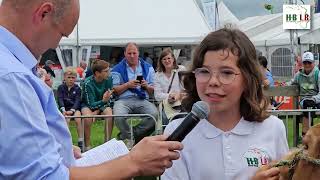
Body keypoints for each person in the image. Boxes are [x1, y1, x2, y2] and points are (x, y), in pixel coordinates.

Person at [0, 0, 183, 179]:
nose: (56, 45)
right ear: (44, 13)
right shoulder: (12, 78)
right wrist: (133, 162)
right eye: (62, 34)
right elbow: (46, 176)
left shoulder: (11, 68)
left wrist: (55, 147)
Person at [161, 28, 289, 180]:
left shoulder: (273, 128)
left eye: (227, 73)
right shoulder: (176, 132)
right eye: (204, 71)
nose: (213, 81)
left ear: (247, 80)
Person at [111, 42, 158, 145]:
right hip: (123, 100)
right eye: (129, 53)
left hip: (142, 99)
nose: (132, 56)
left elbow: (154, 90)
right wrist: (127, 85)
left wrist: (146, 86)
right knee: (119, 116)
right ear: (124, 54)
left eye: (134, 53)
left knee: (154, 115)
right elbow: (114, 90)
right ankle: (131, 138)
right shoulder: (116, 69)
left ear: (138, 53)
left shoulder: (148, 67)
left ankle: (128, 136)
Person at [81, 59, 114, 150]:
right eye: (106, 71)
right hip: (87, 105)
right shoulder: (87, 83)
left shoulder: (109, 79)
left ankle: (107, 144)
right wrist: (102, 102)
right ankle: (87, 146)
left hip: (102, 104)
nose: (109, 73)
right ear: (97, 73)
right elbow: (90, 104)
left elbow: (109, 99)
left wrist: (97, 111)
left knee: (109, 114)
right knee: (87, 118)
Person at [290, 51, 320, 137]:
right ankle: (305, 137)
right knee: (307, 104)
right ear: (302, 63)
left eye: (309, 62)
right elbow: (291, 82)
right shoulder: (298, 75)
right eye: (305, 62)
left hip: (316, 100)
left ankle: (309, 137)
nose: (307, 65)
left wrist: (314, 99)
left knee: (309, 105)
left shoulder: (318, 74)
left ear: (313, 63)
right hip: (305, 101)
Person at [154, 48, 186, 126]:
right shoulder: (158, 75)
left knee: (182, 121)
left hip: (181, 102)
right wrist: (170, 96)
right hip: (166, 104)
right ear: (161, 61)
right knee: (166, 121)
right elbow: (157, 95)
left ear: (173, 59)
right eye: (164, 59)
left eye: (169, 58)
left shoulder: (181, 69)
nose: (167, 61)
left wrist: (177, 95)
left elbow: (186, 89)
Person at [57, 67, 83, 150]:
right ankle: (68, 142)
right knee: (66, 120)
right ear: (64, 77)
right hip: (65, 108)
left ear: (75, 78)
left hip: (74, 108)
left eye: (73, 77)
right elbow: (60, 99)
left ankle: (80, 141)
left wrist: (72, 110)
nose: (71, 79)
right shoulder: (61, 87)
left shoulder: (77, 88)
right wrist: (63, 110)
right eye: (69, 77)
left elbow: (77, 101)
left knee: (78, 119)